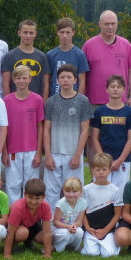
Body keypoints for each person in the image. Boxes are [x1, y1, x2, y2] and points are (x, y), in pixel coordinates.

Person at [43, 64, 92, 209]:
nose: (65, 80)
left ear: (75, 80)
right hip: (54, 152)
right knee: (51, 192)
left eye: (69, 77)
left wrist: (78, 155)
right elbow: (46, 129)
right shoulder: (51, 102)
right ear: (57, 80)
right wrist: (48, 155)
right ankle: (51, 219)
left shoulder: (83, 101)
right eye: (62, 77)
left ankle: (75, 219)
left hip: (73, 153)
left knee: (74, 190)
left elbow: (85, 130)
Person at [3, 65, 44, 203]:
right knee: (12, 185)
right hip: (13, 150)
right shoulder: (7, 101)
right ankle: (14, 213)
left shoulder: (37, 99)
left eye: (24, 78)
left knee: (31, 185)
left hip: (31, 149)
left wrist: (39, 152)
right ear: (13, 80)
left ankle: (31, 213)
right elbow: (3, 128)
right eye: (18, 78)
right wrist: (4, 152)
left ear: (30, 79)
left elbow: (40, 127)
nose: (21, 81)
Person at [82, 10, 131, 108]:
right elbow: (82, 74)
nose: (110, 27)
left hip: (120, 102)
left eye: (113, 24)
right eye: (106, 24)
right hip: (94, 102)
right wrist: (81, 97)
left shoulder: (126, 45)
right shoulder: (89, 45)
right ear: (99, 24)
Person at [90, 75, 131, 192]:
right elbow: (94, 137)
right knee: (100, 193)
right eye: (112, 86)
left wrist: (120, 160)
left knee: (120, 195)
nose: (115, 89)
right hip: (103, 162)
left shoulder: (130, 112)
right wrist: (103, 159)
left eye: (119, 87)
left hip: (122, 161)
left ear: (124, 90)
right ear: (107, 89)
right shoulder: (99, 111)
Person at [81, 153, 123, 258]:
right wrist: (88, 228)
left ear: (109, 170)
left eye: (104, 169)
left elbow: (117, 214)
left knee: (109, 254)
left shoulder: (115, 190)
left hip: (108, 230)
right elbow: (82, 212)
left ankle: (111, 242)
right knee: (91, 253)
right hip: (91, 229)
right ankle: (90, 240)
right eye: (98, 169)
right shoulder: (86, 189)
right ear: (92, 170)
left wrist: (105, 230)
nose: (101, 172)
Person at [3, 178, 53, 259]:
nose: (33, 202)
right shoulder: (18, 207)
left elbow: (47, 232)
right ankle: (13, 244)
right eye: (30, 197)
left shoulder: (45, 206)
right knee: (22, 233)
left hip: (32, 224)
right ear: (25, 194)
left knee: (45, 237)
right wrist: (7, 254)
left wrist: (47, 253)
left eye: (37, 198)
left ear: (43, 197)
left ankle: (28, 241)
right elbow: (10, 232)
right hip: (15, 226)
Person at [1, 19, 49, 100]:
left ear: (35, 34)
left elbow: (46, 84)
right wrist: (8, 102)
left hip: (36, 101)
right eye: (25, 32)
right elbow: (5, 83)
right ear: (19, 33)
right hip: (16, 101)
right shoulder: (10, 56)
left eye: (31, 33)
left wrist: (44, 102)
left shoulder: (42, 57)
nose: (28, 36)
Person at [48, 17, 88, 97]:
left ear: (73, 32)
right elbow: (47, 80)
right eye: (62, 32)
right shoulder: (50, 55)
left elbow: (82, 80)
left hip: (73, 98)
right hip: (55, 98)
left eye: (68, 32)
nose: (65, 36)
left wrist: (78, 100)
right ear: (57, 32)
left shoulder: (80, 55)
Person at [51, 176, 86, 253]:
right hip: (58, 228)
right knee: (65, 233)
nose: (71, 194)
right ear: (63, 190)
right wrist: (68, 227)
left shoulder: (83, 203)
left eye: (75, 191)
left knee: (80, 232)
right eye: (68, 191)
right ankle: (57, 248)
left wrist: (74, 226)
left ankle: (74, 247)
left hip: (71, 226)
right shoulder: (61, 203)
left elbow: (79, 222)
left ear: (81, 191)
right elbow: (56, 222)